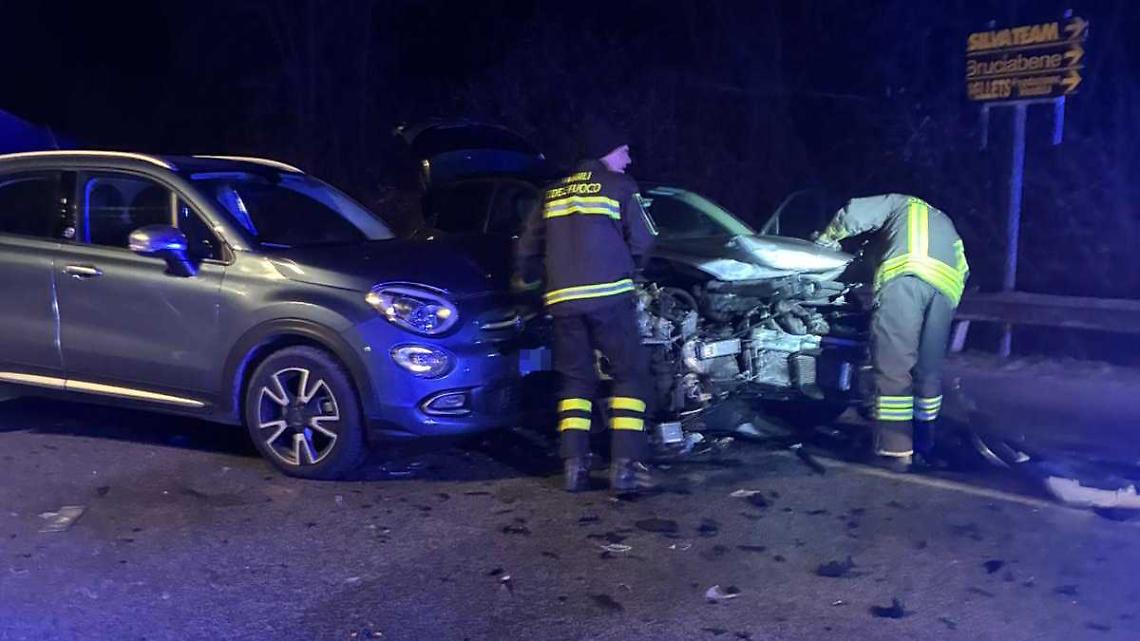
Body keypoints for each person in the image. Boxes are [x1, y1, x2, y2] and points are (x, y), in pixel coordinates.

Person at [514, 118, 657, 492]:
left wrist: (533, 281)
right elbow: (643, 243)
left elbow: (527, 249)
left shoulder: (552, 192)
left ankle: (574, 465)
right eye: (624, 151)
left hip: (562, 303)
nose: (628, 159)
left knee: (576, 380)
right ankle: (625, 465)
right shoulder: (620, 187)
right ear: (607, 150)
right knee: (629, 374)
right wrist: (633, 272)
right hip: (609, 298)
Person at [814, 194, 969, 470]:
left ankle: (895, 450)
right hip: (946, 292)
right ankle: (924, 440)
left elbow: (852, 213)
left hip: (906, 280)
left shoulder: (898, 203)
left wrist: (825, 241)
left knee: (893, 365)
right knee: (927, 372)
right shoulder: (942, 220)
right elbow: (964, 269)